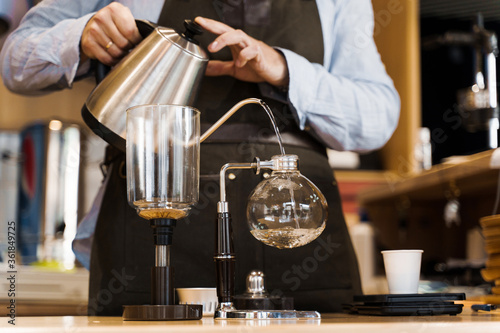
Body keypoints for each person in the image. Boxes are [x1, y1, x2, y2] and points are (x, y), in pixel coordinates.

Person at [1, 0, 400, 315]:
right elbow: (15, 60)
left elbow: (379, 119)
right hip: (148, 223)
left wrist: (281, 68)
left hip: (301, 236)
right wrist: (79, 35)